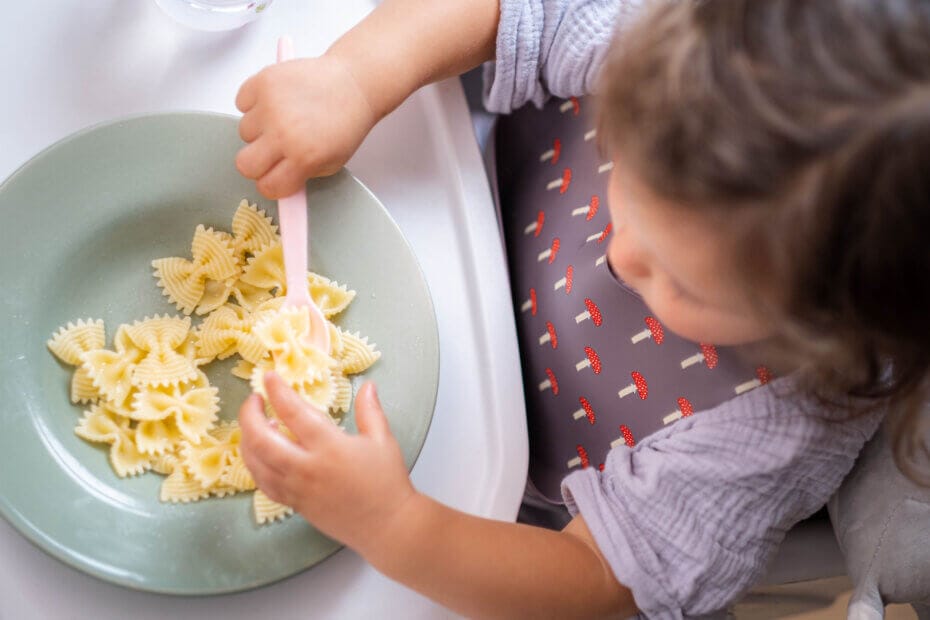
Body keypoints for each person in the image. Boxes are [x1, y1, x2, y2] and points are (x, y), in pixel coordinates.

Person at [234, 0, 930, 616]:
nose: (620, 260)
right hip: (443, 201)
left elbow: (593, 579)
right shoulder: (686, 54)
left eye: (684, 284)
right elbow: (511, 11)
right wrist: (355, 78)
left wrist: (394, 525)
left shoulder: (780, 426)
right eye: (627, 172)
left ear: (821, 333)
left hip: (470, 495)